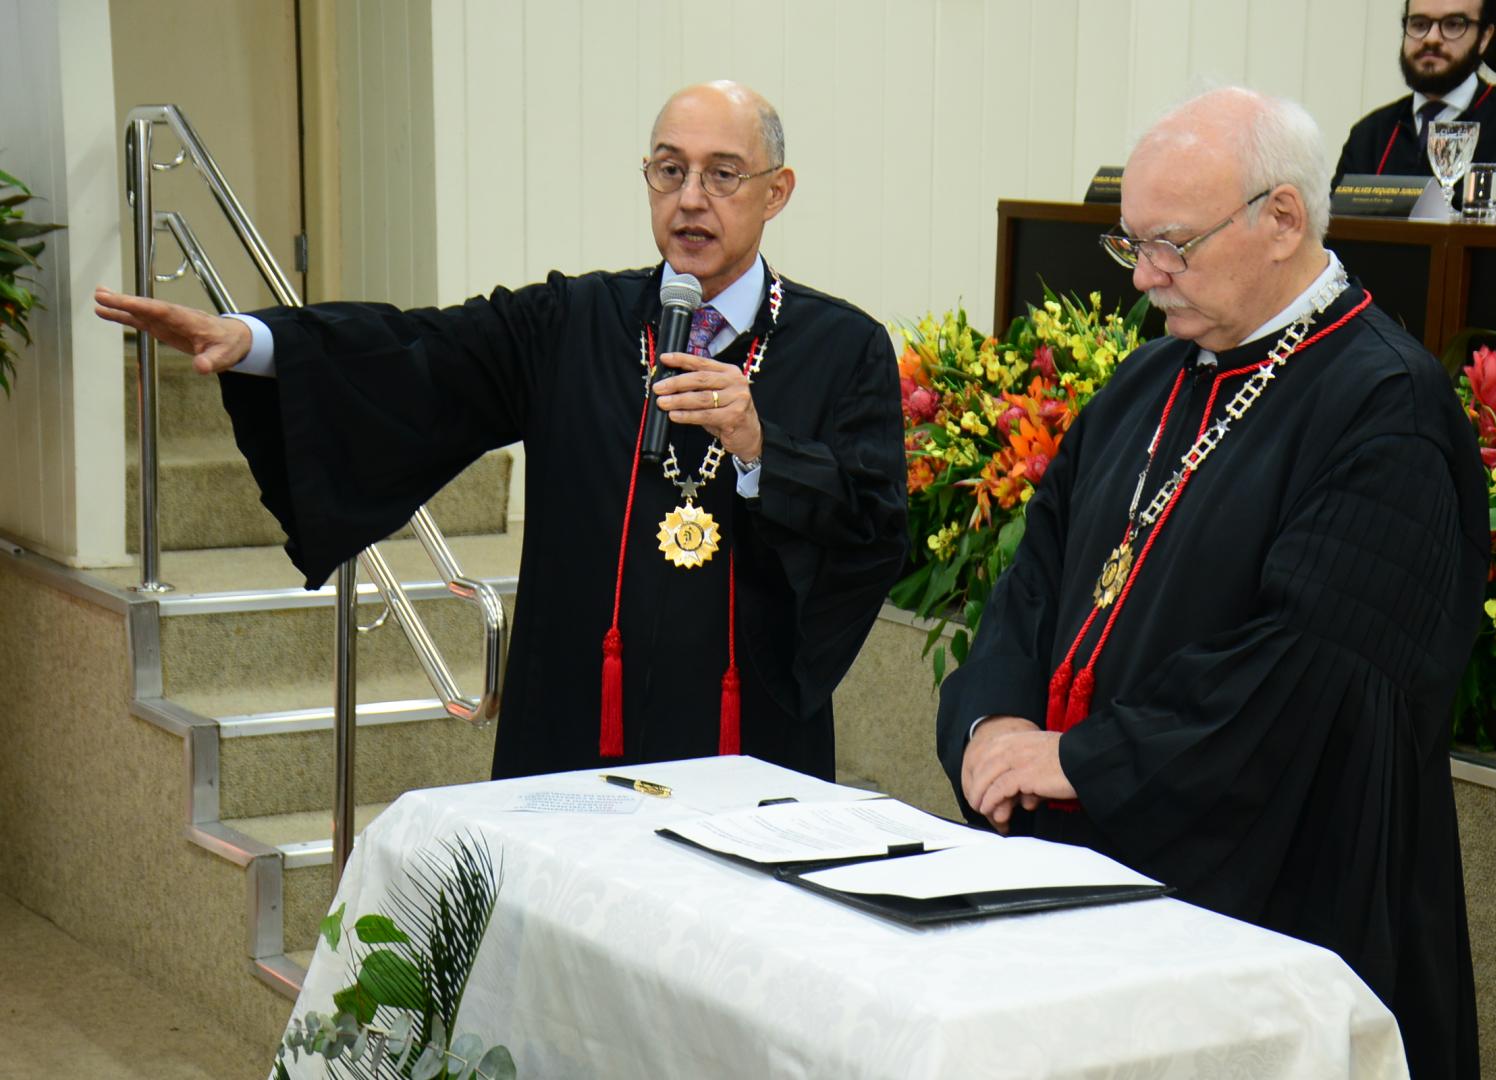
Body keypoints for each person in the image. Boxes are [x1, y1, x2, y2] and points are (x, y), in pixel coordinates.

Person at [96, 80, 907, 783]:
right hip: (578, 727)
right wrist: (263, 343)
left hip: (745, 737)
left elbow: (872, 532)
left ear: (777, 190)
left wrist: (764, 452)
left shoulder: (843, 348)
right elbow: (425, 350)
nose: (690, 197)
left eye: (722, 174)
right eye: (668, 170)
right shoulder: (573, 322)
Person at [939, 87, 1486, 1079]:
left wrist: (1086, 763)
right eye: (1132, 246)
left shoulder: (1383, 405)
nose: (1147, 278)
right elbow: (1034, 586)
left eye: (1173, 246)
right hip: (1072, 876)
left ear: (1281, 220)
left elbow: (1308, 677)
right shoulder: (1147, 384)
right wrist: (993, 727)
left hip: (1263, 911)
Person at [1333, 0, 1496, 203]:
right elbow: (1336, 235)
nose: (1431, 38)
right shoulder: (1370, 135)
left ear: (1484, 37)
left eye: (1452, 25)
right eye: (1419, 25)